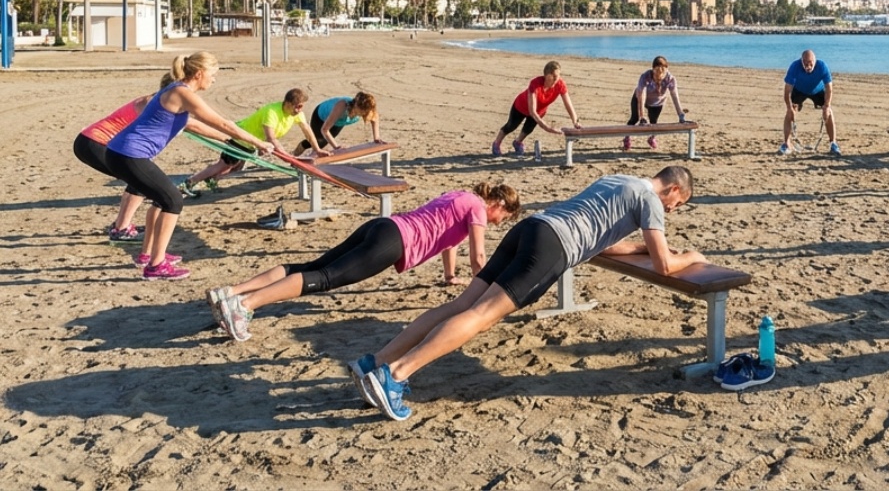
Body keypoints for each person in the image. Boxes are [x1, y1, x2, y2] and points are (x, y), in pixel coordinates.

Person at [353, 166, 703, 420]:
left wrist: (639, 247)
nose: (673, 210)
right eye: (678, 202)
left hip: (532, 228)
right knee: (480, 316)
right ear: (673, 188)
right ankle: (396, 375)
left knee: (463, 304)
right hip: (551, 249)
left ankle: (376, 361)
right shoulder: (650, 199)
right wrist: (692, 256)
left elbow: (598, 242)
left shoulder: (619, 180)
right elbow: (664, 265)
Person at [208, 181, 520, 341]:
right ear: (500, 204)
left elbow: (448, 240)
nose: (498, 223)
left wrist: (450, 276)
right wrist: (486, 292)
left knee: (312, 266)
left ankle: (231, 293)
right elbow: (479, 257)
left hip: (384, 226)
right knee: (325, 278)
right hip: (395, 242)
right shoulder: (478, 209)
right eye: (504, 217)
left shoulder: (461, 196)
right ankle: (244, 306)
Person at [102, 52, 275, 280]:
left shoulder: (177, 91)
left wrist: (231, 142)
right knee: (173, 200)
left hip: (122, 153)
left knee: (163, 199)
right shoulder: (182, 93)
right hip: (129, 154)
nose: (214, 79)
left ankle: (149, 255)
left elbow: (197, 126)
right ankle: (156, 265)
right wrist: (258, 142)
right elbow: (223, 123)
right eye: (213, 74)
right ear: (200, 73)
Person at [74, 73, 175, 244]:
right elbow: (188, 125)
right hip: (96, 143)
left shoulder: (155, 101)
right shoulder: (153, 104)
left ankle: (121, 226)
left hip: (90, 142)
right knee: (142, 181)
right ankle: (121, 229)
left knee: (139, 179)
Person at [179, 88, 326, 197]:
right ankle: (189, 182)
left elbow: (307, 131)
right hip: (240, 138)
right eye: (297, 106)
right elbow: (271, 138)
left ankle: (213, 179)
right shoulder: (272, 112)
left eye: (301, 106)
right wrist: (288, 157)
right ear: (287, 103)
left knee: (236, 168)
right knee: (224, 164)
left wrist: (317, 149)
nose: (299, 110)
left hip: (252, 142)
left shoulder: (297, 114)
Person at [492, 61, 581, 156]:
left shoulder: (560, 84)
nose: (557, 78)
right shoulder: (535, 83)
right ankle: (497, 143)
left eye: (558, 75)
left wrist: (575, 121)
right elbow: (532, 111)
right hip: (521, 106)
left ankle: (518, 142)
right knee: (511, 126)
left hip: (540, 111)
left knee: (528, 129)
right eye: (554, 76)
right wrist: (547, 128)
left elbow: (568, 104)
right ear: (546, 75)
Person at [781, 50, 840, 156]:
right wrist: (789, 108)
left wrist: (827, 106)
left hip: (818, 91)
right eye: (805, 63)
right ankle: (786, 143)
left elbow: (829, 88)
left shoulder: (822, 66)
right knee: (790, 112)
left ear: (815, 61)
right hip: (799, 90)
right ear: (801, 61)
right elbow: (787, 91)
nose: (808, 66)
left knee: (829, 112)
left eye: (810, 63)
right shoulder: (795, 66)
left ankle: (833, 143)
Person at [624, 56, 686, 151]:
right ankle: (627, 137)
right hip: (639, 98)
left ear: (667, 69)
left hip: (657, 102)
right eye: (657, 72)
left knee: (654, 122)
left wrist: (680, 114)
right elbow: (642, 95)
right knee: (634, 118)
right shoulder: (645, 77)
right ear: (653, 69)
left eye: (662, 72)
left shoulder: (670, 79)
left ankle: (652, 138)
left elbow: (675, 96)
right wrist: (642, 117)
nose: (659, 75)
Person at [294, 92, 381, 155]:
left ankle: (311, 160)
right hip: (320, 117)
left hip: (338, 122)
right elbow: (324, 130)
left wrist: (376, 138)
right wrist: (337, 147)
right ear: (357, 106)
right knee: (318, 142)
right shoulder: (342, 106)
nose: (365, 114)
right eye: (363, 111)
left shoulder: (367, 110)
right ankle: (295, 155)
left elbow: (375, 119)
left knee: (323, 143)